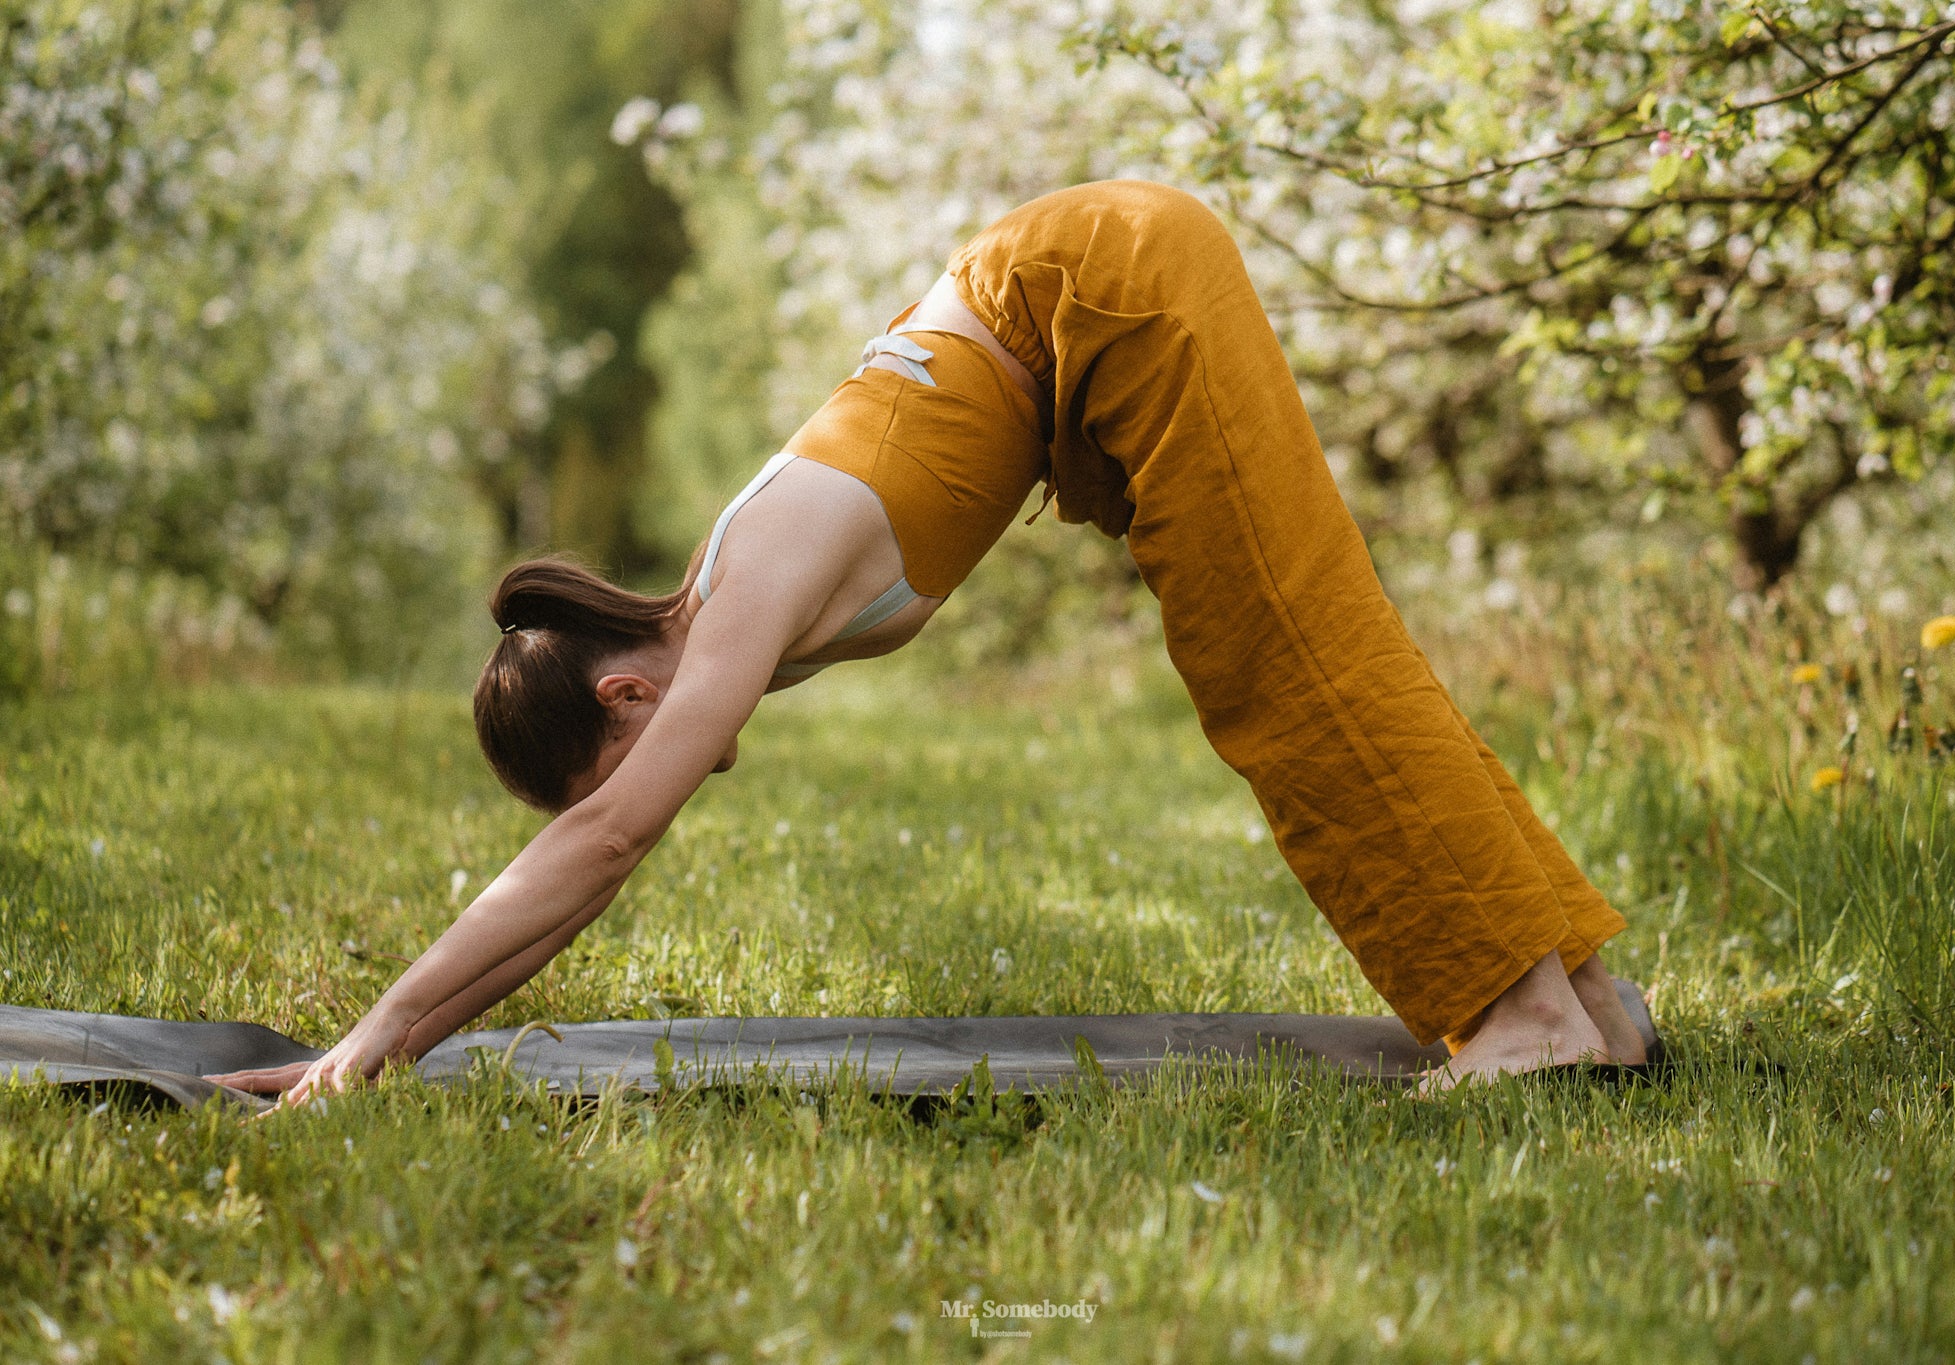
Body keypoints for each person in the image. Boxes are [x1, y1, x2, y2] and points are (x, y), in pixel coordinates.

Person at [210, 181, 1646, 1104]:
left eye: (622, 763)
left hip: (1112, 290)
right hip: (1101, 300)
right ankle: (1571, 992)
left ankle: (1520, 1012)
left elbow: (597, 853)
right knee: (1304, 642)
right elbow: (599, 840)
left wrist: (372, 1037)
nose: (679, 779)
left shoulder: (737, 602)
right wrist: (383, 1047)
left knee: (1288, 659)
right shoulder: (720, 599)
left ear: (627, 689)